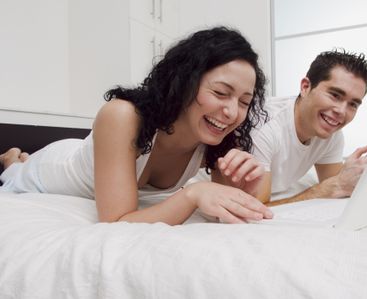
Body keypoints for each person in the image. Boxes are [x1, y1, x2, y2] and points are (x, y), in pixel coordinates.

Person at [0, 26, 273, 224]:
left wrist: (244, 190)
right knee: (16, 172)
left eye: (244, 102)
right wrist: (191, 194)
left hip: (93, 157)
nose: (231, 111)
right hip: (55, 166)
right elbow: (117, 221)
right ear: (185, 82)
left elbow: (225, 208)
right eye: (221, 93)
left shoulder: (219, 136)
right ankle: (13, 160)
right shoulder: (121, 116)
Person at [252, 49, 367, 206]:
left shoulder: (332, 133)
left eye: (353, 104)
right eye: (335, 95)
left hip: (277, 194)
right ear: (305, 87)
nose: (341, 112)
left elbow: (337, 188)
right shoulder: (265, 126)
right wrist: (323, 190)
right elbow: (256, 211)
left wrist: (348, 175)